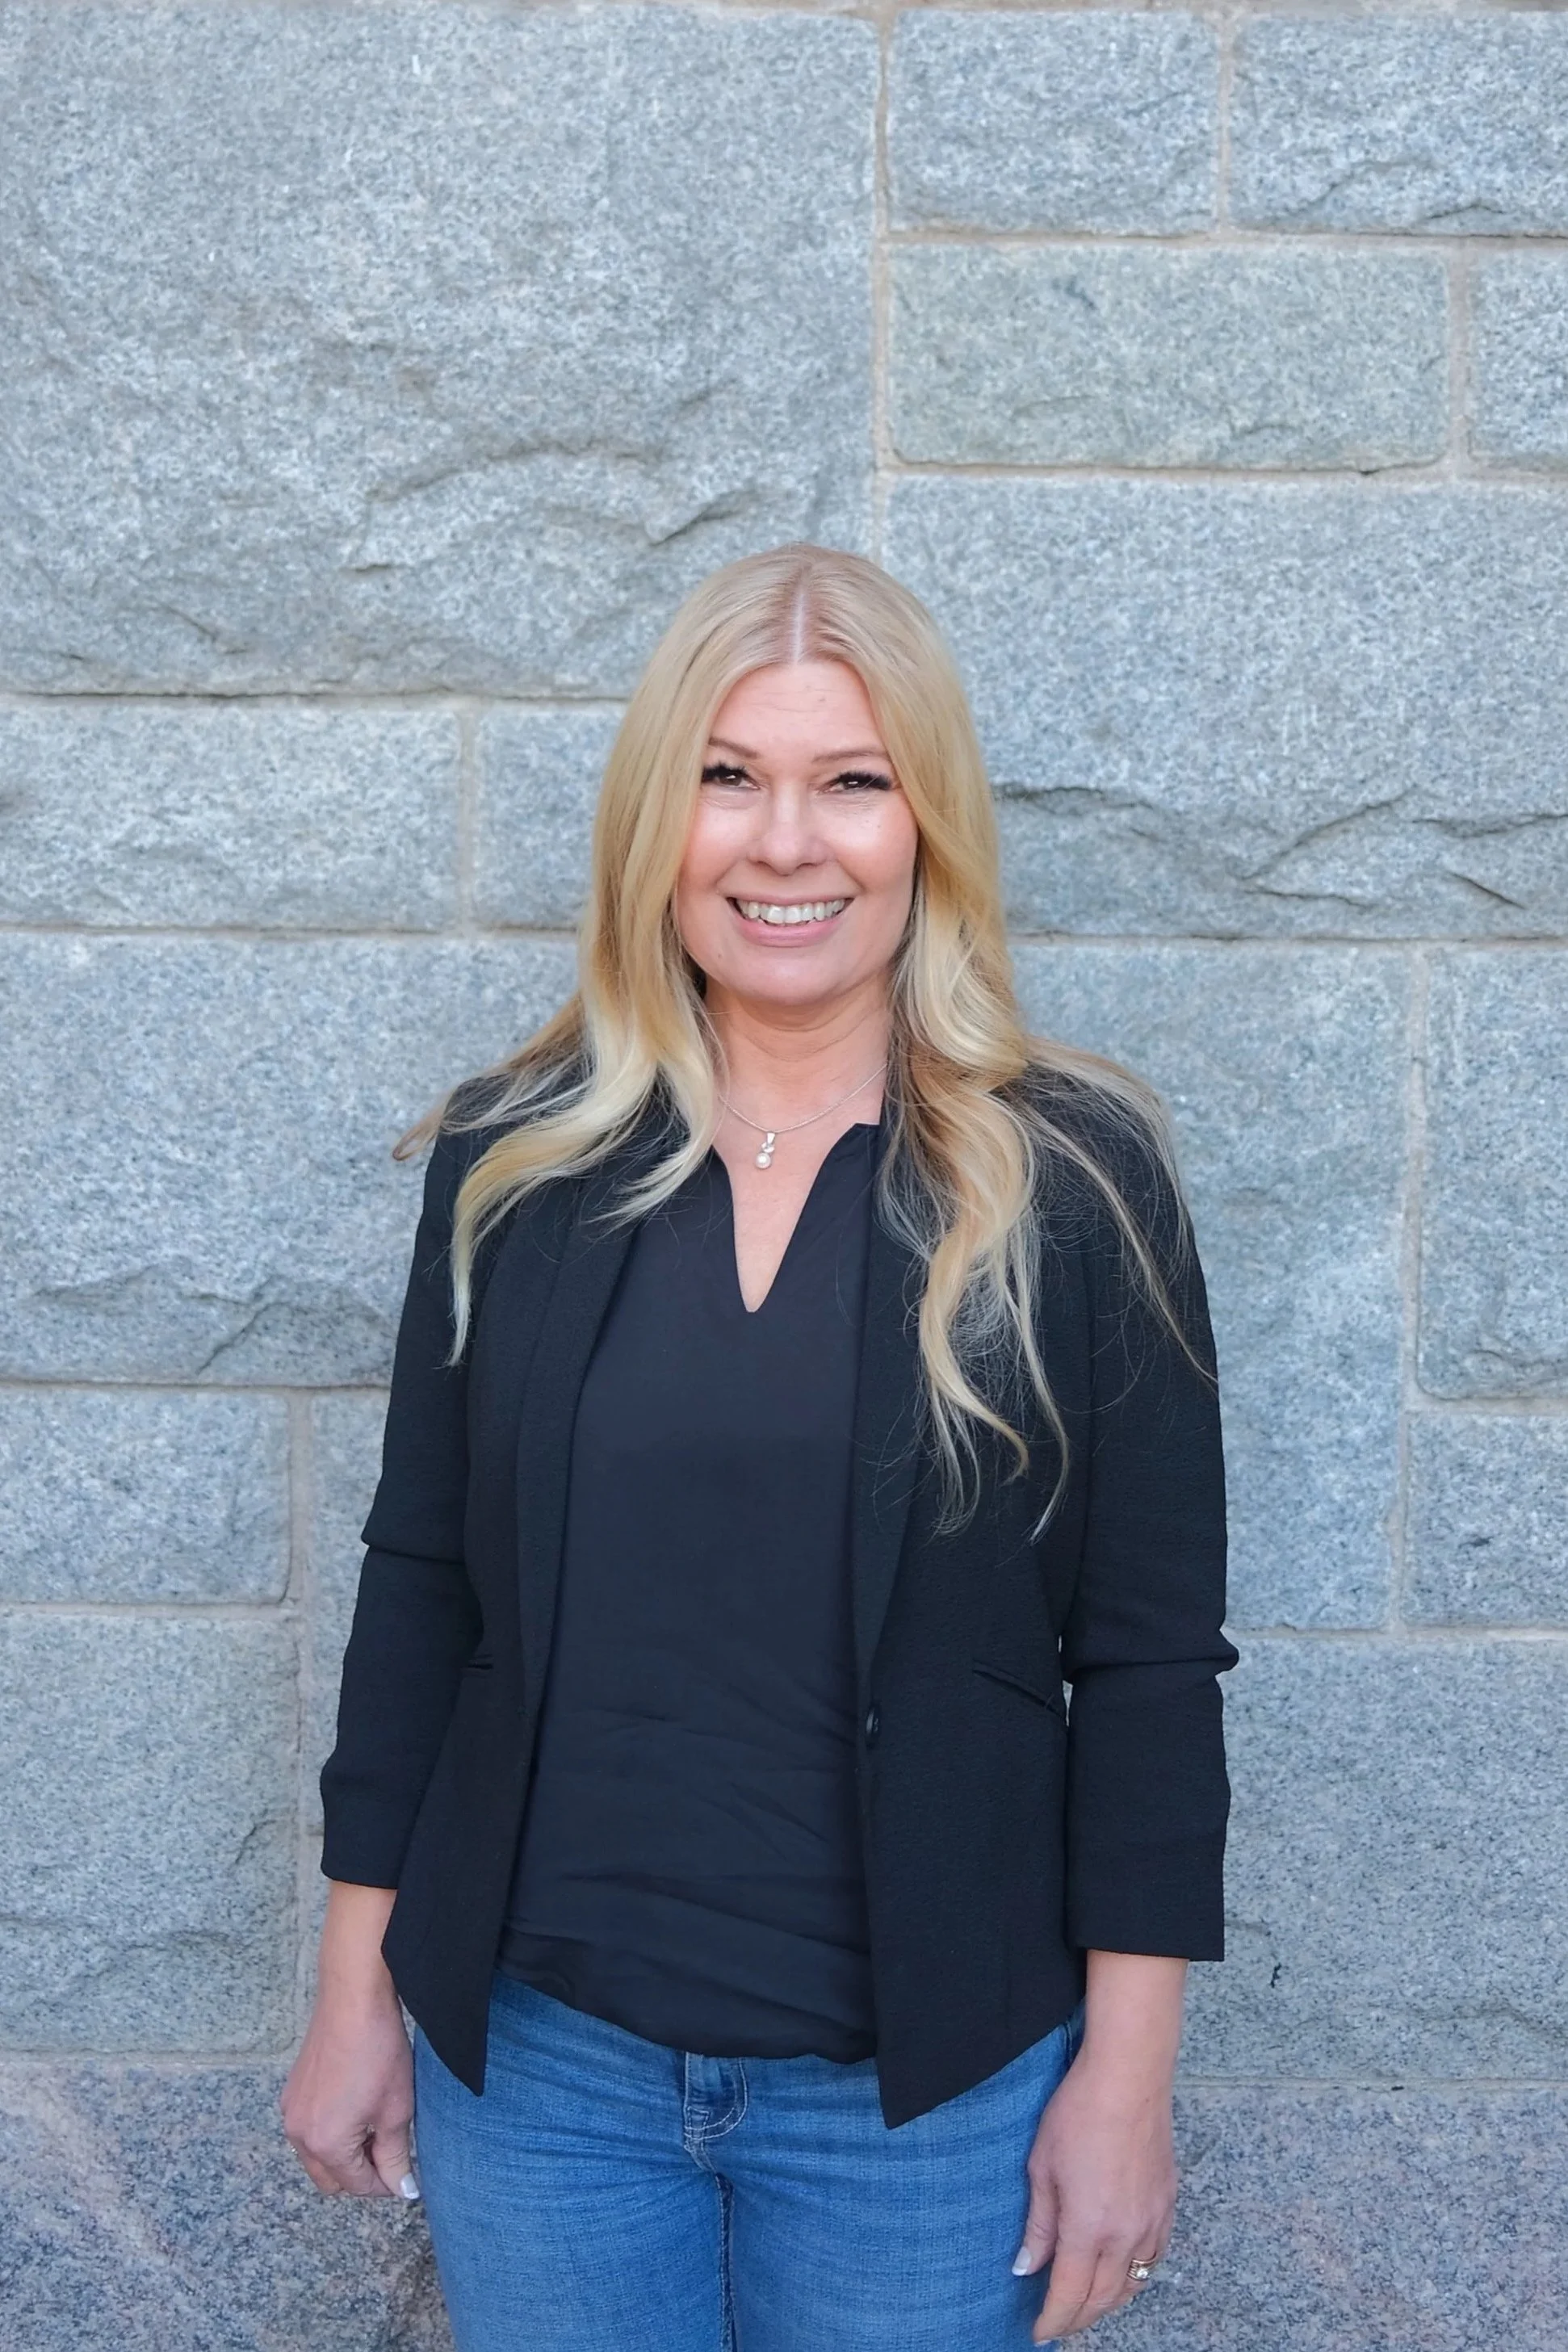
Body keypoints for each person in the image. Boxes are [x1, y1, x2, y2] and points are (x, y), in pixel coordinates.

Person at [282, 543, 1237, 2351]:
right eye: (728, 776)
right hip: (543, 2080)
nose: (784, 842)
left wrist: (1125, 2083)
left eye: (850, 782)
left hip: (923, 2108)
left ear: (927, 825)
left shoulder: (1073, 1185)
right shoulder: (518, 1162)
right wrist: (355, 1987)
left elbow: (1144, 1665)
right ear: (659, 819)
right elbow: (419, 1592)